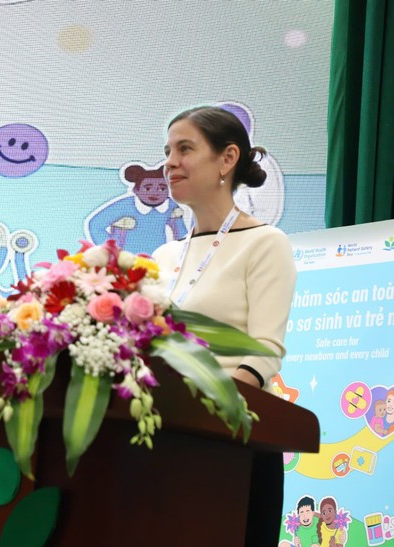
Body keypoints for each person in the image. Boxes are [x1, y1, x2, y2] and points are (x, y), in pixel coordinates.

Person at [152, 106, 297, 546]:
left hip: (233, 440)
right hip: (162, 437)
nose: (170, 162)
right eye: (167, 151)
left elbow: (264, 352)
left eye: (185, 149)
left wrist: (207, 409)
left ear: (227, 158)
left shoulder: (266, 243)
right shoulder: (164, 257)